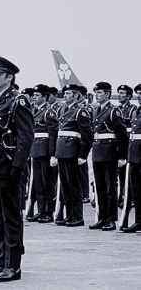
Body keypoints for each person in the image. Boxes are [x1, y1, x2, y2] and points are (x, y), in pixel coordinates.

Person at [0, 56, 33, 282]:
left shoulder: (17, 101)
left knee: (11, 217)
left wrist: (17, 166)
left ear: (9, 77)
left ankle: (13, 265)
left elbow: (25, 137)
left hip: (8, 165)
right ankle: (2, 260)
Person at [88, 82, 128, 231]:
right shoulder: (96, 110)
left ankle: (111, 219)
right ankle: (102, 218)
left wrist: (122, 156)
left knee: (111, 188)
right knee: (100, 188)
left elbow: (122, 134)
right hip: (98, 151)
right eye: (96, 92)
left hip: (110, 152)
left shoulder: (113, 111)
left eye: (100, 92)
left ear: (107, 94)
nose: (97, 95)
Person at [54, 84, 93, 227]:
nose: (65, 95)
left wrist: (82, 155)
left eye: (69, 93)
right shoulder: (62, 109)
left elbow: (87, 135)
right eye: (65, 93)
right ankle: (69, 215)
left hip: (72, 152)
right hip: (62, 151)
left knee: (73, 185)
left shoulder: (80, 111)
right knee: (65, 186)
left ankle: (77, 217)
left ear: (76, 95)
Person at [28, 84, 58, 223]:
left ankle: (48, 212)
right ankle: (40, 211)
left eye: (37, 95)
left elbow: (53, 135)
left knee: (47, 183)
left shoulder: (49, 112)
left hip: (45, 151)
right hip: (36, 150)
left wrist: (53, 154)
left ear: (45, 97)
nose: (34, 97)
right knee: (38, 183)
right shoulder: (33, 111)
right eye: (33, 95)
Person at [121, 83, 141, 233]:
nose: (139, 97)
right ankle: (139, 220)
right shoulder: (139, 110)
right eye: (138, 94)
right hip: (134, 155)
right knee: (136, 190)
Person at [117, 85, 137, 208]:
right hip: (120, 144)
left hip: (130, 143)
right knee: (120, 173)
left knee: (130, 172)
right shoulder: (117, 109)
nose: (120, 95)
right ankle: (122, 196)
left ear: (129, 96)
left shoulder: (133, 110)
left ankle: (131, 197)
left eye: (123, 93)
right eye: (119, 92)